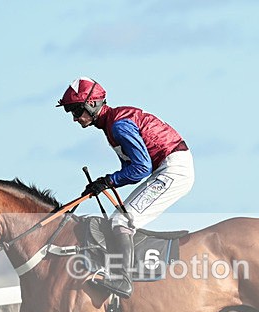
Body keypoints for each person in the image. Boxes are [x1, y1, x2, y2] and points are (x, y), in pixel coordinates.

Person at [57, 77, 195, 298]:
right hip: (166, 167)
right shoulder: (111, 125)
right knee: (119, 218)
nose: (74, 118)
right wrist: (104, 183)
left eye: (76, 110)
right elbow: (133, 167)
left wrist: (109, 180)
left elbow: (141, 168)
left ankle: (123, 280)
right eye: (71, 112)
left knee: (121, 220)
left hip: (173, 169)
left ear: (92, 104)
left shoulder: (119, 125)